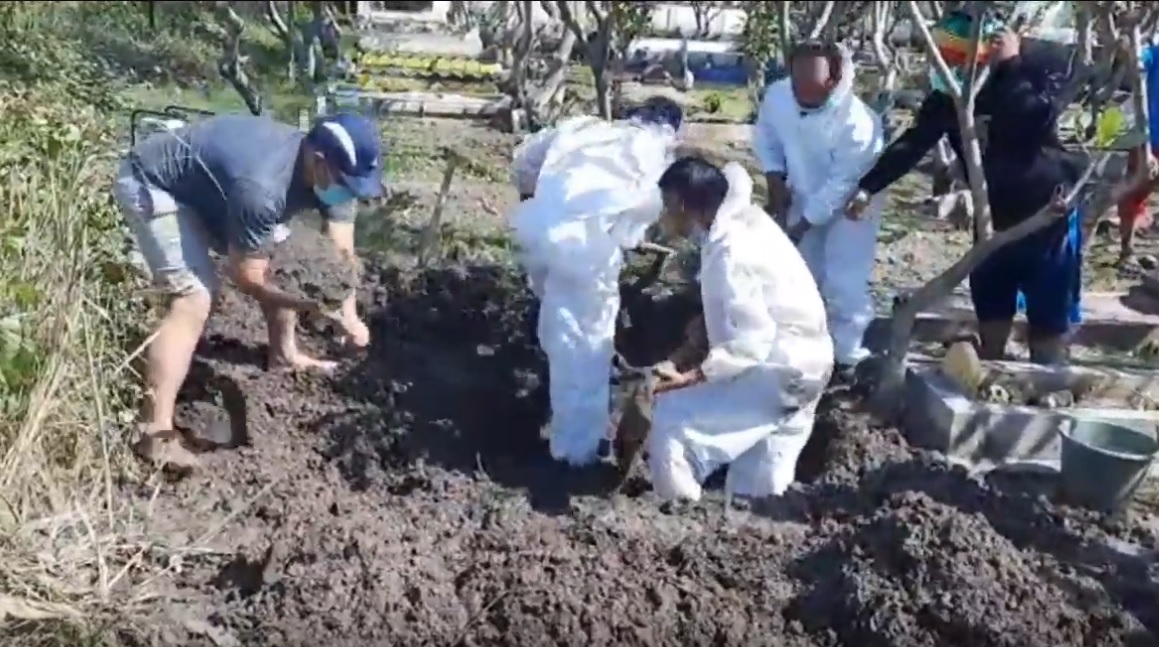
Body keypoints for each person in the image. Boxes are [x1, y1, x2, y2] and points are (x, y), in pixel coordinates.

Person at [112, 112, 383, 469]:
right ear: (317, 160)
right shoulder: (263, 186)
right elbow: (248, 276)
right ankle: (153, 432)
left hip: (220, 193)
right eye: (344, 182)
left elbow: (341, 257)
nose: (348, 192)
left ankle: (284, 355)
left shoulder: (339, 173)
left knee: (290, 262)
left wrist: (349, 315)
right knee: (194, 296)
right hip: (156, 184)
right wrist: (313, 305)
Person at [844, 12, 1085, 365]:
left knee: (1048, 325)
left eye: (961, 60)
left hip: (1047, 216)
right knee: (991, 312)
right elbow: (914, 143)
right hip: (992, 217)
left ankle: (1050, 387)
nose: (954, 68)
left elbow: (1035, 120)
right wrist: (868, 187)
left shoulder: (1024, 76)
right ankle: (991, 376)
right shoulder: (949, 98)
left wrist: (1013, 65)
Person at [508, 96, 683, 467]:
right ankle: (576, 454)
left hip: (538, 236)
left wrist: (534, 199)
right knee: (586, 350)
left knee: (558, 330)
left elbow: (523, 162)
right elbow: (647, 209)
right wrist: (627, 238)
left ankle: (554, 416)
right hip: (586, 253)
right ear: (669, 129)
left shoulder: (582, 127)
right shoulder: (652, 146)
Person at [647, 157, 833, 502]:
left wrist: (692, 377)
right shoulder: (746, 220)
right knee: (758, 488)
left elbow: (751, 343)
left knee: (672, 426)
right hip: (812, 365)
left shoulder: (729, 253)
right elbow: (759, 297)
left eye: (668, 205)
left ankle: (676, 521)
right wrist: (706, 324)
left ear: (686, 206)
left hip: (777, 368)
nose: (663, 215)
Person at [752, 41, 886, 376]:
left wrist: (797, 228)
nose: (802, 93)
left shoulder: (858, 123)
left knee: (844, 280)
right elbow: (767, 138)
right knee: (800, 272)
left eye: (812, 86)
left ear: (834, 80)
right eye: (798, 83)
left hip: (852, 206)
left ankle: (846, 359)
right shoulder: (778, 96)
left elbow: (840, 186)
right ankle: (799, 349)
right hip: (800, 192)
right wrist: (774, 179)